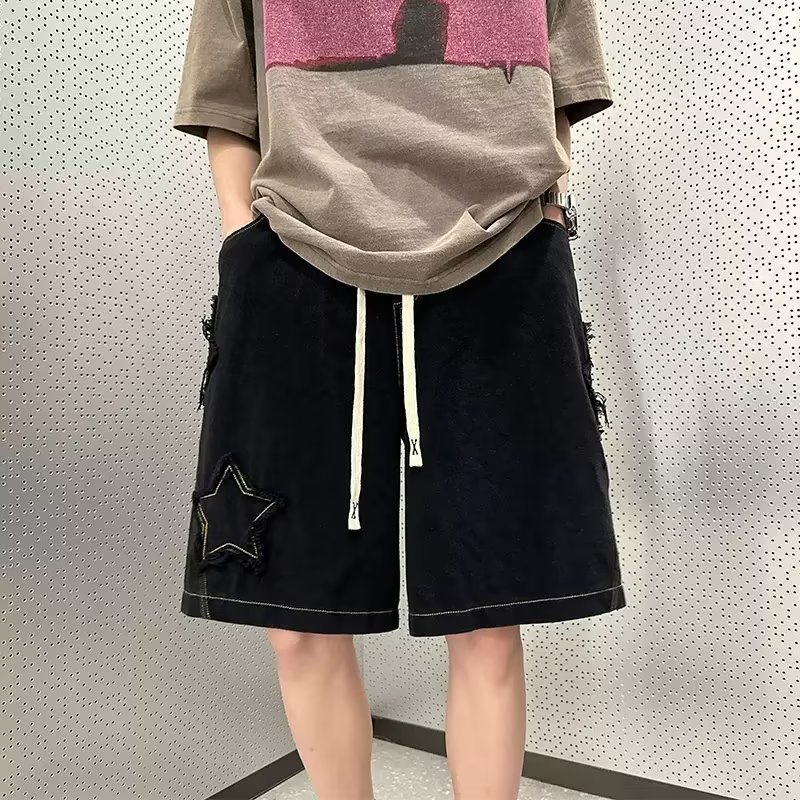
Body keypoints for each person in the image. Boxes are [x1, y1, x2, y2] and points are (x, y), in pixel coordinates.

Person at [172, 1, 626, 798]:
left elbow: (560, 80)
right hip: (294, 261)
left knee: (490, 618)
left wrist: (548, 214)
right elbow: (225, 97)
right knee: (297, 624)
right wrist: (241, 237)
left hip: (505, 255)